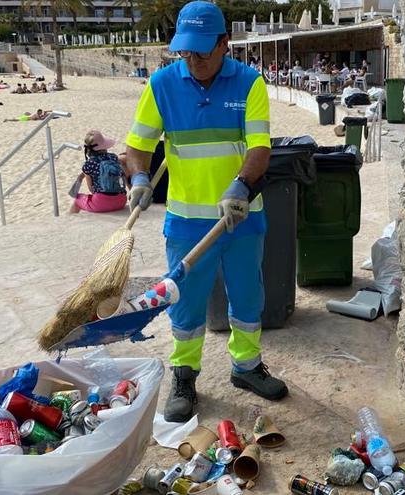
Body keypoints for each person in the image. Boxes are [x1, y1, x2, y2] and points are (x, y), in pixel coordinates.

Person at [124, 0, 287, 423]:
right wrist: (139, 178)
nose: (193, 60)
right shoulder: (160, 85)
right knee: (186, 304)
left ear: (224, 44)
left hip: (241, 217)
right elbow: (138, 147)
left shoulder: (250, 83)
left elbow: (259, 148)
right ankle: (184, 375)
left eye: (202, 50)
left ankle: (247, 367)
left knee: (248, 295)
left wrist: (242, 185)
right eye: (186, 51)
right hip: (186, 221)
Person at [69, 130, 128, 213]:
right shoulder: (113, 157)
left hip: (101, 203)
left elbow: (91, 189)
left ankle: (69, 221)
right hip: (121, 200)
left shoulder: (88, 165)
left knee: (77, 201)